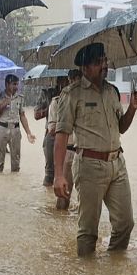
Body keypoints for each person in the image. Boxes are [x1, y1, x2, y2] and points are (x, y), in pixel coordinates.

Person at [53, 43, 137, 256]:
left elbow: (121, 127)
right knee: (88, 231)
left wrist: (132, 108)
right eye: (97, 63)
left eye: (104, 61)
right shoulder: (71, 94)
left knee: (125, 224)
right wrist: (58, 175)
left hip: (118, 164)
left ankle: (114, 271)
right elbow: (61, 135)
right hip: (89, 167)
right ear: (84, 68)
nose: (104, 66)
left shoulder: (112, 92)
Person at [47, 69, 81, 210]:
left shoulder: (89, 101)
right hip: (67, 152)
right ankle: (60, 220)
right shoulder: (57, 102)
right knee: (63, 198)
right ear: (69, 80)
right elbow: (52, 130)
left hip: (85, 153)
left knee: (86, 198)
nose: (74, 83)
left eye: (78, 79)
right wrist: (67, 122)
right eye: (72, 80)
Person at [0, 75, 36, 173]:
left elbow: (22, 116)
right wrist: (2, 105)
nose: (16, 87)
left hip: (15, 129)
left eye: (17, 84)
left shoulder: (19, 98)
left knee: (16, 162)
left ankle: (15, 181)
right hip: (2, 128)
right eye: (14, 84)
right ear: (7, 84)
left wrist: (28, 133)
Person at [35, 80, 66, 186]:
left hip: (71, 137)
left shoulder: (76, 93)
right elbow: (36, 115)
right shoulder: (47, 93)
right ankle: (48, 199)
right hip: (52, 134)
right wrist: (50, 108)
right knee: (50, 173)